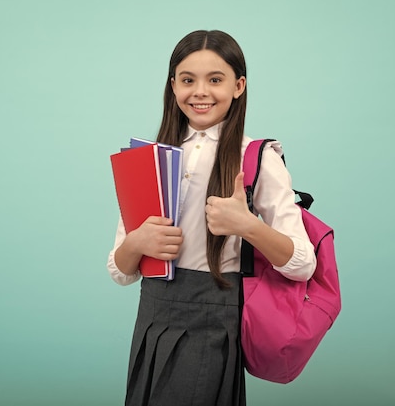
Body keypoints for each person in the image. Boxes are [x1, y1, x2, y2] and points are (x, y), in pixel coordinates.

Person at [107, 29, 317, 406]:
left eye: (215, 80)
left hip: (213, 322)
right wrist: (137, 243)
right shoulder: (149, 160)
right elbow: (120, 270)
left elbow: (303, 264)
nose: (200, 91)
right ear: (173, 86)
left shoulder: (257, 157)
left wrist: (247, 226)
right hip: (153, 319)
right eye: (188, 80)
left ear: (238, 86)